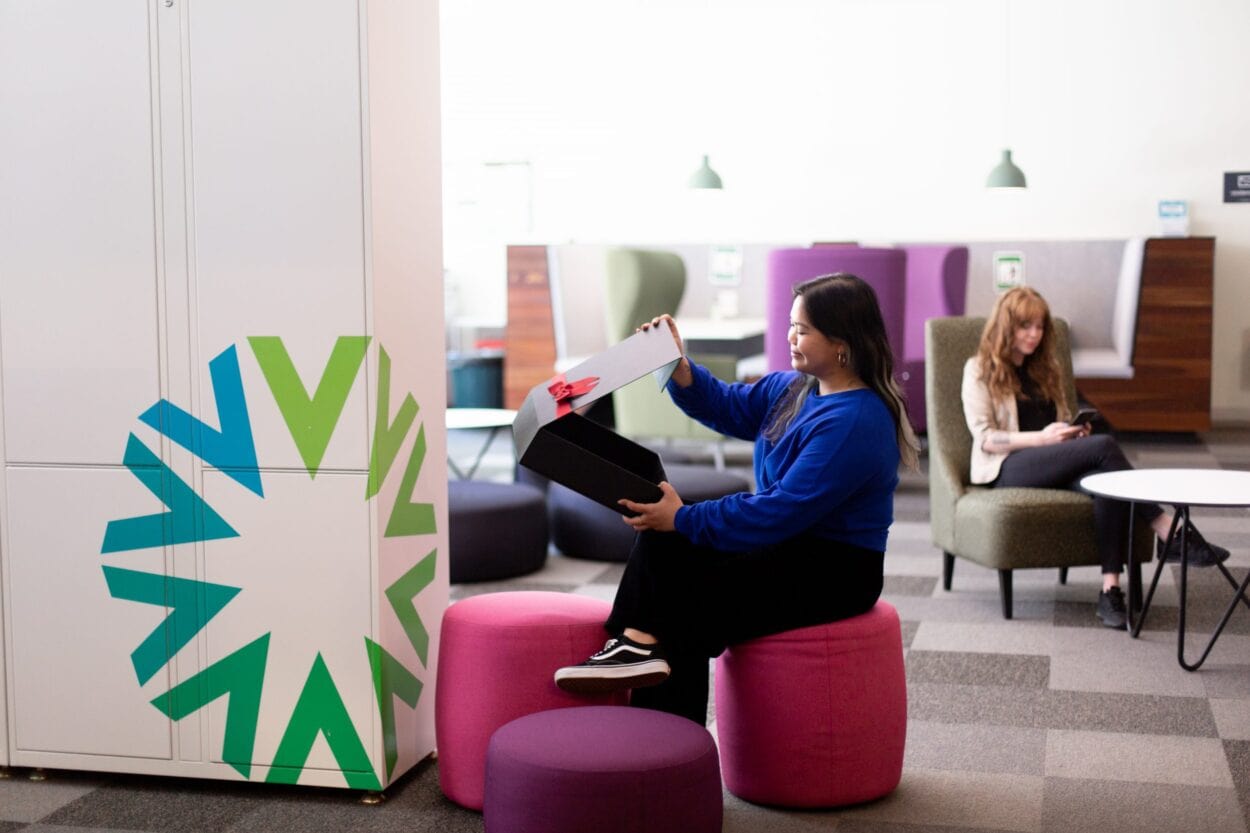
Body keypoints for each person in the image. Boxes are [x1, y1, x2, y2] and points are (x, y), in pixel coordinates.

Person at [553, 273, 920, 725]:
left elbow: (781, 509)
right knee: (672, 557)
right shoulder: (792, 389)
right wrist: (677, 365)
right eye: (791, 324)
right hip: (786, 543)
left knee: (681, 594)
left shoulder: (857, 422)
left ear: (843, 342)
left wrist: (684, 517)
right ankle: (638, 652)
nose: (790, 337)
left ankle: (650, 690)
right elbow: (727, 405)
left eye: (803, 330)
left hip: (833, 570)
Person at [962, 286, 1228, 630]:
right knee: (1105, 448)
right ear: (1006, 326)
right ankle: (1168, 529)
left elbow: (1061, 420)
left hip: (1053, 459)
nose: (1035, 334)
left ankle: (1110, 590)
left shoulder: (1046, 368)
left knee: (1106, 481)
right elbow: (986, 438)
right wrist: (1043, 438)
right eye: (1026, 326)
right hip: (1006, 466)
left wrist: (1073, 435)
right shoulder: (979, 369)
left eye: (1040, 327)